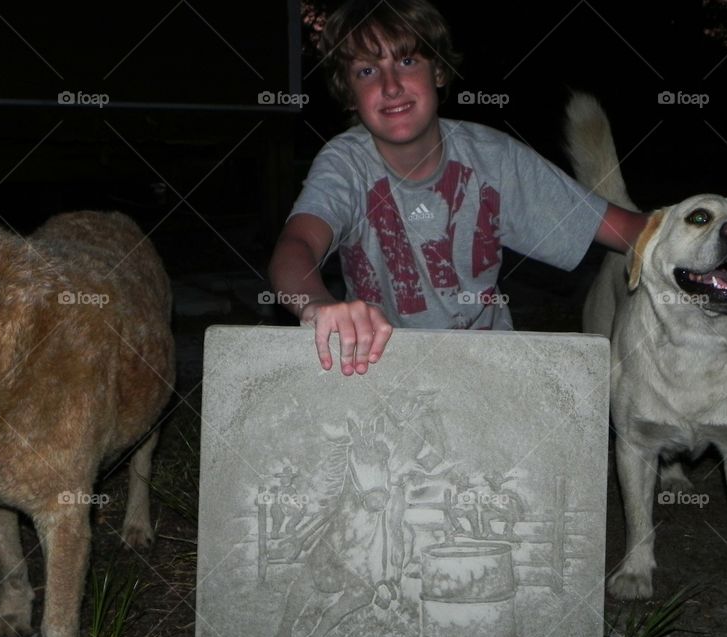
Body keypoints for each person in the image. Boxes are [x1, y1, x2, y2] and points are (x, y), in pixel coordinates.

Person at [268, 0, 647, 375]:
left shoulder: (493, 157)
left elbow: (630, 229)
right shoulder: (345, 163)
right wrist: (317, 305)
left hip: (485, 368)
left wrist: (701, 232)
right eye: (367, 71)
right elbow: (295, 245)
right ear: (349, 94)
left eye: (406, 61)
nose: (391, 86)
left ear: (438, 71)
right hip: (377, 366)